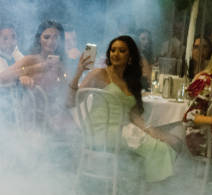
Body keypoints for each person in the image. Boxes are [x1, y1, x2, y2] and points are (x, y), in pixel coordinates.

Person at [69, 35, 176, 183]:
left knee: (166, 145)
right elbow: (71, 102)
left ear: (130, 56)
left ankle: (148, 190)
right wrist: (78, 72)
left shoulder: (130, 81)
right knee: (160, 149)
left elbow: (134, 116)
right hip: (100, 131)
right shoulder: (99, 74)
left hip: (121, 130)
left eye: (122, 50)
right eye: (113, 50)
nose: (115, 54)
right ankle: (153, 192)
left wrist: (154, 132)